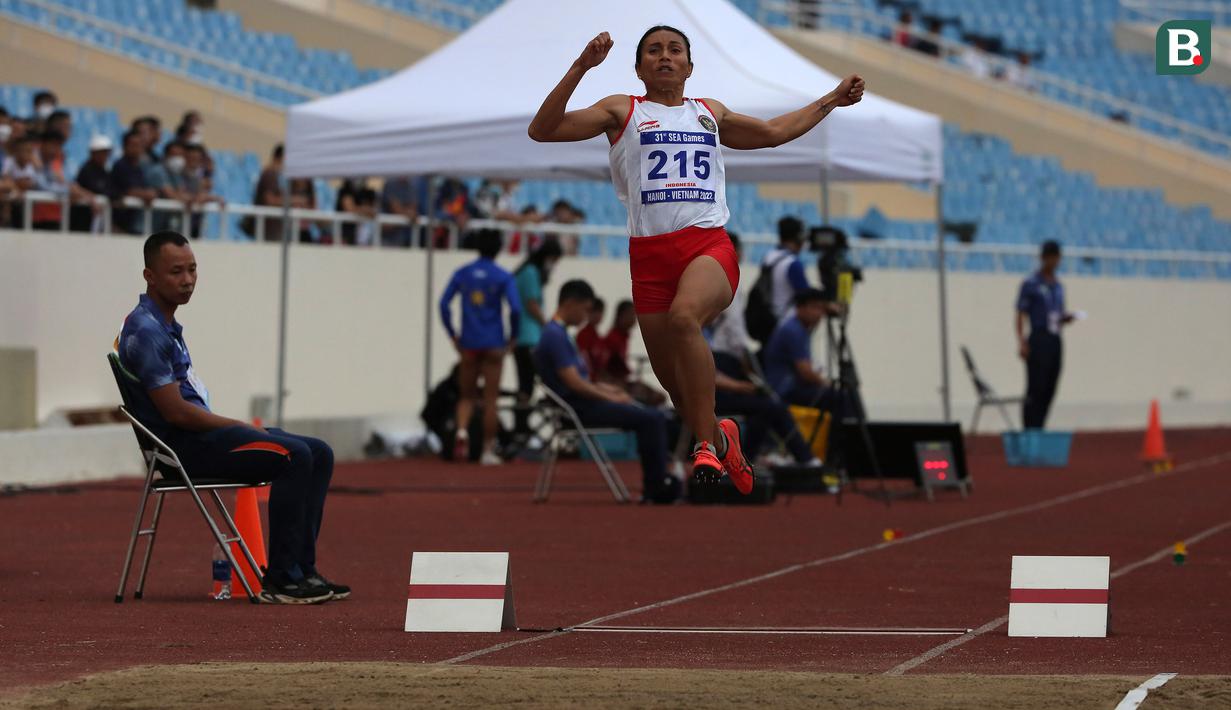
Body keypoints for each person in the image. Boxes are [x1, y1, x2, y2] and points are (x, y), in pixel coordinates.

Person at [528, 26, 863, 493]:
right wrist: (581, 67)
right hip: (648, 258)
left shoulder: (709, 112)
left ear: (689, 66)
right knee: (676, 387)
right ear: (640, 67)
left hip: (706, 245)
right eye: (653, 51)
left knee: (686, 319)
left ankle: (704, 446)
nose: (665, 57)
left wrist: (831, 100)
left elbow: (771, 133)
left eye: (674, 50)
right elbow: (541, 131)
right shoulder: (621, 110)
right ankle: (723, 438)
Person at [116, 231, 348, 604]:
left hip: (201, 438)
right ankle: (282, 580)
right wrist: (236, 425)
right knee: (295, 456)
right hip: (186, 450)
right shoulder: (146, 331)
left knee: (319, 451)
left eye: (192, 269)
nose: (188, 279)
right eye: (176, 271)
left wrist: (232, 426)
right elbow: (176, 413)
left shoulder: (163, 324)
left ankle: (303, 570)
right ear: (150, 276)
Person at [534, 279, 678, 503]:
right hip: (580, 409)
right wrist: (613, 396)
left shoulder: (560, 334)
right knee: (652, 419)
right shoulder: (555, 336)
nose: (586, 316)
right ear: (571, 303)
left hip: (582, 404)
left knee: (654, 415)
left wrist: (610, 390)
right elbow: (575, 384)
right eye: (586, 309)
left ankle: (660, 481)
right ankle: (656, 487)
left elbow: (584, 379)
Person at [439, 229, 523, 464]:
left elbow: (444, 304)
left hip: (469, 343)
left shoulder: (462, 273)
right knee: (490, 399)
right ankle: (487, 450)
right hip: (494, 342)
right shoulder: (503, 276)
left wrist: (452, 334)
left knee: (466, 396)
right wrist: (513, 337)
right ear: (498, 249)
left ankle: (462, 432)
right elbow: (515, 309)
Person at [1016, 240, 1075, 429]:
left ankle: (1040, 426)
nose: (1054, 262)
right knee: (1036, 387)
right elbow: (1020, 314)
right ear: (1043, 258)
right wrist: (1022, 341)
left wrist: (1065, 319)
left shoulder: (1058, 286)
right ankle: (1030, 429)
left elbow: (1057, 313)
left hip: (1055, 339)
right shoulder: (1031, 284)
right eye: (1051, 257)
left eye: (1057, 258)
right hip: (1038, 338)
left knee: (1050, 385)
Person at [511, 239, 563, 437]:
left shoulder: (526, 272)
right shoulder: (531, 272)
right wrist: (548, 326)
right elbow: (532, 304)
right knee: (531, 384)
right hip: (530, 338)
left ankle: (521, 427)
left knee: (526, 384)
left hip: (524, 338)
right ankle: (521, 427)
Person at [763, 288, 837, 408]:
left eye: (821, 309)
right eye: (814, 307)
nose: (819, 314)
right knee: (838, 396)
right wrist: (826, 383)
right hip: (785, 389)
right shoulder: (793, 330)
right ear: (800, 308)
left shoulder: (801, 329)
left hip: (792, 386)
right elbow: (805, 372)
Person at [763, 216, 812, 324]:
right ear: (798, 238)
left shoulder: (769, 257)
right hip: (787, 321)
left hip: (768, 320)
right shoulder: (792, 263)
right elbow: (806, 296)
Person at [109, 130, 157, 235]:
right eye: (134, 145)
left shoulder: (139, 168)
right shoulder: (120, 166)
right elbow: (127, 190)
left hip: (133, 222)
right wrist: (145, 194)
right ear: (125, 146)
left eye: (140, 145)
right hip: (118, 223)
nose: (137, 148)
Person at [72, 134, 113, 233]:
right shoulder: (86, 170)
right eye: (101, 152)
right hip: (82, 219)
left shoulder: (105, 171)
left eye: (106, 153)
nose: (104, 156)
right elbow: (76, 188)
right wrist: (91, 198)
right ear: (93, 153)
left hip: (97, 220)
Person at [575, 296, 608, 379]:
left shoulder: (598, 337)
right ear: (588, 313)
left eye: (600, 312)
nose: (597, 315)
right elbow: (583, 360)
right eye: (594, 311)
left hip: (597, 378)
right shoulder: (583, 334)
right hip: (587, 379)